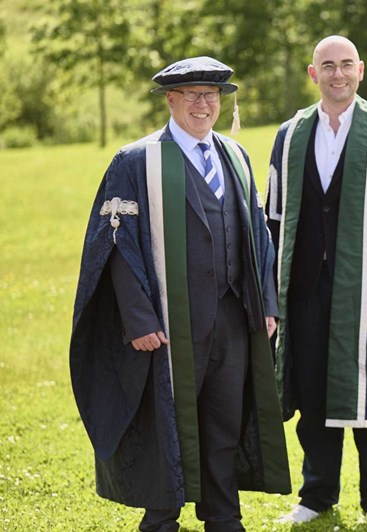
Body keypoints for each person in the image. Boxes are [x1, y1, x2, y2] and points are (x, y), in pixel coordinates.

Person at [70, 56, 291, 532]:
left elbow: (259, 234)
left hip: (233, 319)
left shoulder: (235, 155)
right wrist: (139, 318)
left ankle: (223, 516)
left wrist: (266, 304)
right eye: (191, 94)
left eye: (211, 94)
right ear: (170, 99)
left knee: (223, 421)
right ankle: (161, 517)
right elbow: (115, 246)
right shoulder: (137, 161)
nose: (202, 103)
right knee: (165, 421)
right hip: (172, 320)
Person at [265, 35, 367, 524]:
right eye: (327, 66)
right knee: (314, 390)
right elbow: (272, 219)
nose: (338, 74)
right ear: (313, 74)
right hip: (305, 286)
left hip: (366, 288)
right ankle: (317, 494)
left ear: (361, 70)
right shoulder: (290, 134)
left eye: (346, 65)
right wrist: (272, 291)